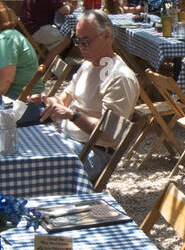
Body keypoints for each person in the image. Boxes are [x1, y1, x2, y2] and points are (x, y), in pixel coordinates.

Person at [38, 10, 138, 182]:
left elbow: (110, 135)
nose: (80, 47)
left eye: (86, 41)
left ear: (107, 36)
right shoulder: (88, 64)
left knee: (37, 172)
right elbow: (64, 99)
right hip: (70, 141)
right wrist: (47, 102)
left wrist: (72, 115)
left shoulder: (119, 77)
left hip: (94, 153)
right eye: (77, 41)